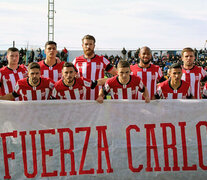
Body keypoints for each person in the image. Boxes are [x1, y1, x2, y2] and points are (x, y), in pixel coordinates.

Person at [73, 35, 117, 100]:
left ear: (94, 46)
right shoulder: (76, 61)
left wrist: (106, 80)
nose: (88, 46)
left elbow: (118, 74)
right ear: (82, 46)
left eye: (90, 44)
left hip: (98, 99)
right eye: (86, 44)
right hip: (81, 100)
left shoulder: (102, 60)